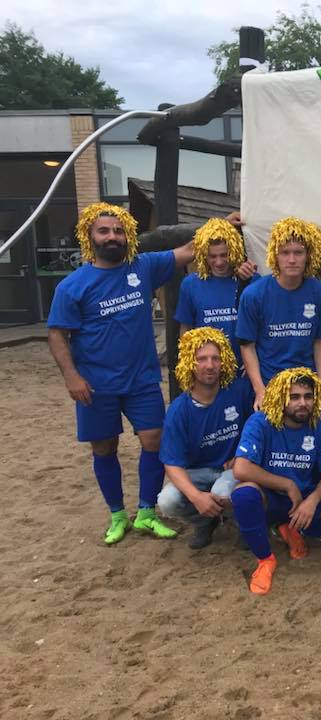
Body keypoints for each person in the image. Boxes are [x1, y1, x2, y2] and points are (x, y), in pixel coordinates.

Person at [47, 202, 195, 543]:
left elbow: (188, 250)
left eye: (118, 231)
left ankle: (146, 513)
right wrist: (71, 377)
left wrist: (223, 224)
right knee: (104, 447)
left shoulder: (143, 267)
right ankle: (117, 515)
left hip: (142, 379)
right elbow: (57, 334)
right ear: (89, 236)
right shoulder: (72, 286)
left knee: (154, 440)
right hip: (95, 384)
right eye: (104, 231)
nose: (112, 236)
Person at [231, 368, 321, 595]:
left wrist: (312, 501)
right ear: (281, 398)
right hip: (271, 496)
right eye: (294, 397)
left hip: (304, 496)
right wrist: (287, 484)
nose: (302, 403)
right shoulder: (261, 421)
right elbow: (241, 468)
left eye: (308, 396)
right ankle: (265, 559)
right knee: (243, 494)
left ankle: (294, 530)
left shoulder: (320, 426)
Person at [157, 328, 254, 549]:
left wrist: (244, 455)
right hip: (199, 472)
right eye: (201, 359)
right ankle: (204, 522)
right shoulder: (179, 410)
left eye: (215, 358)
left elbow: (259, 429)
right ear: (189, 363)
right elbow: (171, 464)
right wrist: (196, 497)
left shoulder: (239, 391)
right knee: (167, 501)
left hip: (233, 470)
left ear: (224, 361)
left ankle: (242, 523)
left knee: (222, 492)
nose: (210, 365)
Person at [235, 217, 321, 412]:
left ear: (308, 255)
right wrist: (260, 390)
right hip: (270, 385)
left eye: (298, 253)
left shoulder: (320, 291)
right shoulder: (254, 294)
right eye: (285, 253)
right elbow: (247, 346)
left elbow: (319, 341)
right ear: (275, 255)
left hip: (306, 387)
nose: (292, 260)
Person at [175, 217, 258, 366]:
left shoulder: (253, 281)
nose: (219, 262)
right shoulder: (191, 284)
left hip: (246, 369)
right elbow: (186, 330)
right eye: (212, 256)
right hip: (209, 369)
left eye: (224, 255)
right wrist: (187, 364)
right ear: (203, 255)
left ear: (234, 251)